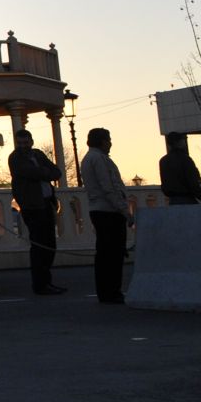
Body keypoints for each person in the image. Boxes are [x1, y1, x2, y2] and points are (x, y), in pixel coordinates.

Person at [7, 129, 66, 295]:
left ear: (31, 142)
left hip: (47, 204)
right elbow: (31, 173)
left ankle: (47, 281)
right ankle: (40, 284)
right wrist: (44, 173)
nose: (23, 146)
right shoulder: (15, 158)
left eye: (25, 143)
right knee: (39, 245)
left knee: (50, 244)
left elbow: (57, 171)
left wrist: (43, 173)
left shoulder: (38, 154)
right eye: (20, 143)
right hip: (32, 206)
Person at [79, 127, 131, 305]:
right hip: (108, 211)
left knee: (104, 253)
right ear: (102, 141)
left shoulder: (88, 159)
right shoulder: (100, 159)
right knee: (113, 254)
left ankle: (106, 291)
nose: (110, 143)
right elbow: (109, 187)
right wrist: (124, 210)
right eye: (108, 139)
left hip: (98, 209)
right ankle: (112, 291)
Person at [159, 133, 201, 205]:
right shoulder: (185, 159)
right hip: (187, 199)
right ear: (179, 142)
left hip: (173, 201)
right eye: (183, 140)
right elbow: (192, 181)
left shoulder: (163, 161)